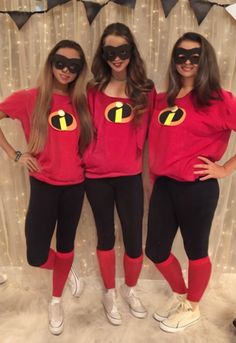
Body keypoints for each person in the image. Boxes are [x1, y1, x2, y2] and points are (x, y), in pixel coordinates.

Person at [0, 39, 92, 335]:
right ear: (51, 63)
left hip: (75, 186)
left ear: (80, 71)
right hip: (43, 184)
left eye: (73, 66)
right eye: (60, 63)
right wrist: (15, 154)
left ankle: (56, 300)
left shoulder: (83, 101)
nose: (66, 70)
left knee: (66, 244)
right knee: (36, 255)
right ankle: (66, 270)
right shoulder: (29, 98)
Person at [146, 32, 236, 333]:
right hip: (164, 186)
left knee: (196, 250)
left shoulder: (219, 100)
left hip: (197, 187)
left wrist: (225, 168)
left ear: (205, 60)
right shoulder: (164, 100)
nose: (186, 62)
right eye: (180, 55)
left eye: (194, 56)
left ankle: (193, 306)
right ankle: (183, 294)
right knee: (156, 250)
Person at [83, 22, 156, 325]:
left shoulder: (146, 91)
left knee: (133, 237)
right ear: (103, 54)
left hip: (129, 175)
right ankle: (110, 292)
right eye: (110, 51)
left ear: (131, 52)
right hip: (96, 175)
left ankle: (131, 288)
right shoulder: (91, 89)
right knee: (105, 236)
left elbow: (155, 134)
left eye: (122, 51)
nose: (116, 58)